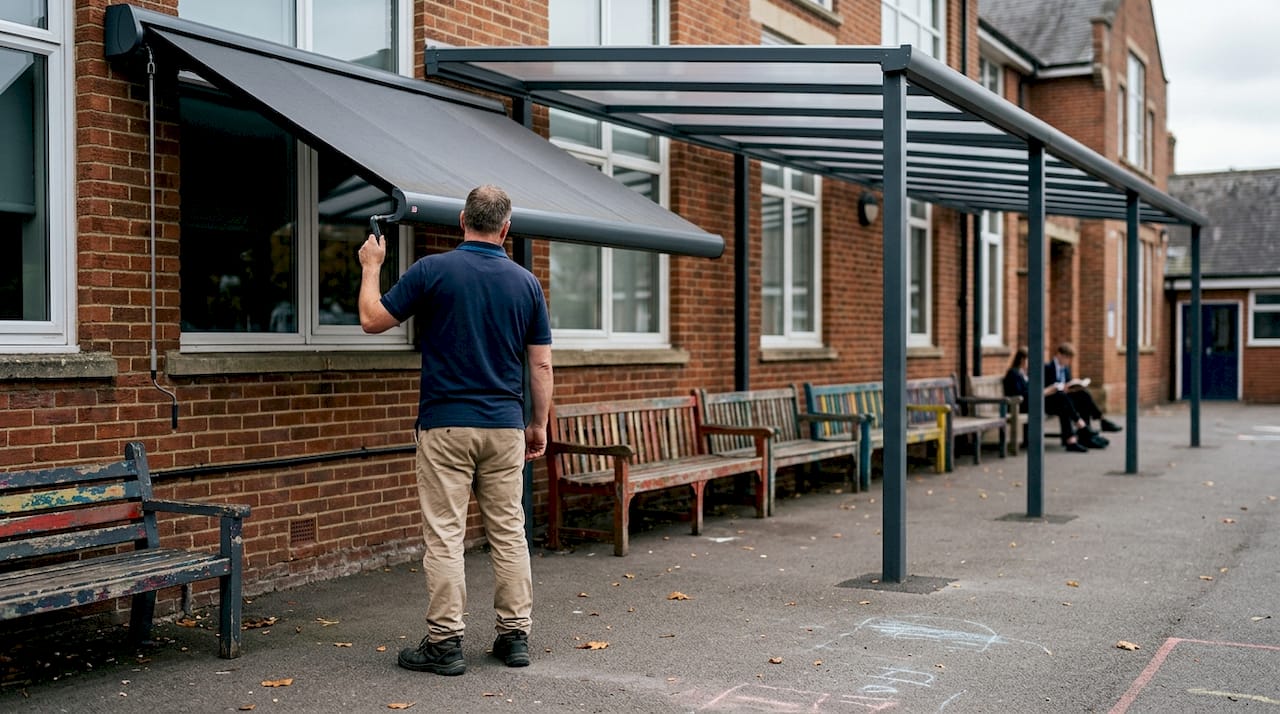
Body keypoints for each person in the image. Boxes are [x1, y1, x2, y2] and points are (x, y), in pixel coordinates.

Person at [358, 185, 553, 676]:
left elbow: (371, 320)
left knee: (445, 536)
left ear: (462, 219)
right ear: (506, 229)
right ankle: (514, 639)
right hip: (505, 426)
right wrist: (537, 425)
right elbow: (542, 365)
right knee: (509, 532)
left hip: (445, 425)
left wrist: (371, 266)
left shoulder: (432, 270)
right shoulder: (526, 284)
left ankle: (444, 644)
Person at [1043, 342, 1121, 452]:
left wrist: (1074, 387)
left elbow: (1068, 384)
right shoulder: (1047, 368)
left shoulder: (1065, 369)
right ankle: (1082, 428)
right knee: (1064, 402)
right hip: (1051, 401)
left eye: (1069, 359)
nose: (1068, 361)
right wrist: (1058, 388)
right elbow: (1046, 389)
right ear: (1059, 355)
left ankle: (1093, 427)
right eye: (1066, 358)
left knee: (1083, 395)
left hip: (1064, 399)